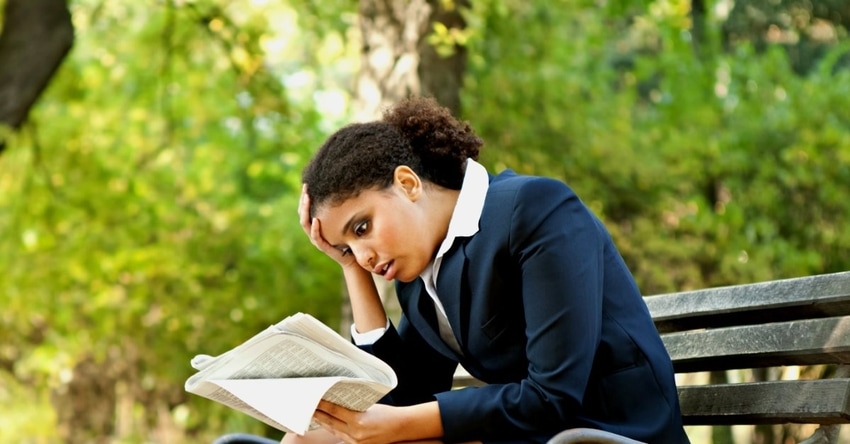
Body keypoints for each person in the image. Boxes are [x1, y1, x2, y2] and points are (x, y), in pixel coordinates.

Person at [289, 97, 688, 444]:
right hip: (529, 431)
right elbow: (404, 401)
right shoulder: (420, 277)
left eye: (362, 228)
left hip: (608, 431)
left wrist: (395, 427)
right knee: (303, 441)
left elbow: (554, 396)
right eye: (348, 247)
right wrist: (350, 269)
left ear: (408, 184)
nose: (363, 257)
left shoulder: (535, 209)